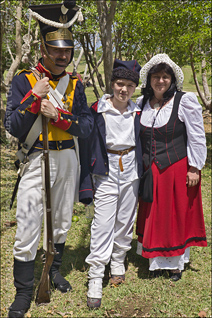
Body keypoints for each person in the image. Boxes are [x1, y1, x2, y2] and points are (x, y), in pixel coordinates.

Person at [4, 1, 93, 317]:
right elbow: (12, 125)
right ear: (42, 48)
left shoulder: (76, 84)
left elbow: (86, 126)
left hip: (68, 158)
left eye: (66, 50)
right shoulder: (25, 80)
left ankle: (52, 271)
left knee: (62, 222)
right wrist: (33, 98)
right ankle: (24, 293)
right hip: (36, 158)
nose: (63, 56)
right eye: (56, 50)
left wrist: (59, 117)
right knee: (28, 226)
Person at [136, 53, 207, 281]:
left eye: (165, 77)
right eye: (156, 76)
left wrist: (194, 167)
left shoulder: (184, 101)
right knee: (154, 214)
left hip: (175, 168)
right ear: (149, 79)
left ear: (172, 79)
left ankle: (175, 264)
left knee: (174, 215)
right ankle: (154, 258)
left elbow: (196, 136)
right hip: (151, 170)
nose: (160, 81)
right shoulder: (142, 104)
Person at [79, 59, 143, 308]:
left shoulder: (138, 111)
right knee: (103, 221)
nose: (124, 90)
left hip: (131, 169)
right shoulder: (98, 110)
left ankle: (118, 260)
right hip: (105, 171)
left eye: (129, 85)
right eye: (119, 83)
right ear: (112, 84)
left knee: (126, 218)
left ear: (135, 87)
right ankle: (96, 274)